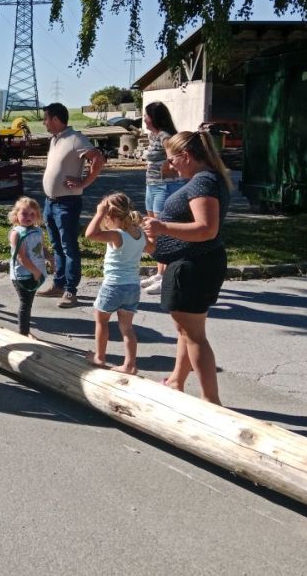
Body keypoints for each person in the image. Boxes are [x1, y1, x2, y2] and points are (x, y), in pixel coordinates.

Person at [143, 130, 234, 405]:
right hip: (197, 263)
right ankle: (176, 381)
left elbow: (206, 229)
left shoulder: (202, 182)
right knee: (186, 330)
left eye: (172, 159)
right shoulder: (209, 179)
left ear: (186, 155)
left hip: (193, 266)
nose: (170, 166)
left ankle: (211, 401)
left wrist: (162, 227)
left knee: (194, 336)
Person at [37, 102, 105, 308]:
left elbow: (98, 158)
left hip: (67, 203)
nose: (44, 123)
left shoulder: (76, 138)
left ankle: (70, 290)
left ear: (56, 119)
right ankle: (59, 284)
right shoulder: (55, 139)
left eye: (46, 119)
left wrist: (84, 182)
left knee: (69, 247)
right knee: (57, 246)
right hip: (50, 202)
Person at [85, 192, 153, 374]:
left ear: (111, 215)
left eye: (105, 216)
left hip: (113, 286)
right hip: (133, 287)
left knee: (101, 320)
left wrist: (98, 213)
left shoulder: (117, 235)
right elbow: (151, 248)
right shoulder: (139, 234)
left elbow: (90, 234)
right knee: (127, 327)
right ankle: (130, 365)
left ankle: (99, 357)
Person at [141, 101, 183, 295]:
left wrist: (168, 170)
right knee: (153, 230)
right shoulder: (154, 136)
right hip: (152, 186)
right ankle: (159, 273)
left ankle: (167, 277)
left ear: (154, 117)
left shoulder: (166, 136)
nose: (144, 118)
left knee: (162, 230)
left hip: (164, 187)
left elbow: (175, 159)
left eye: (146, 115)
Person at [7, 196, 47, 336]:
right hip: (23, 275)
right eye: (24, 214)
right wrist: (35, 272)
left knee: (28, 303)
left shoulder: (38, 231)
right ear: (16, 215)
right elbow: (21, 257)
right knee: (25, 303)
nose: (28, 217)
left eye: (32, 214)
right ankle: (23, 333)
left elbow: (41, 248)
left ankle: (25, 331)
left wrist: (50, 258)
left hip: (35, 273)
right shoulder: (16, 234)